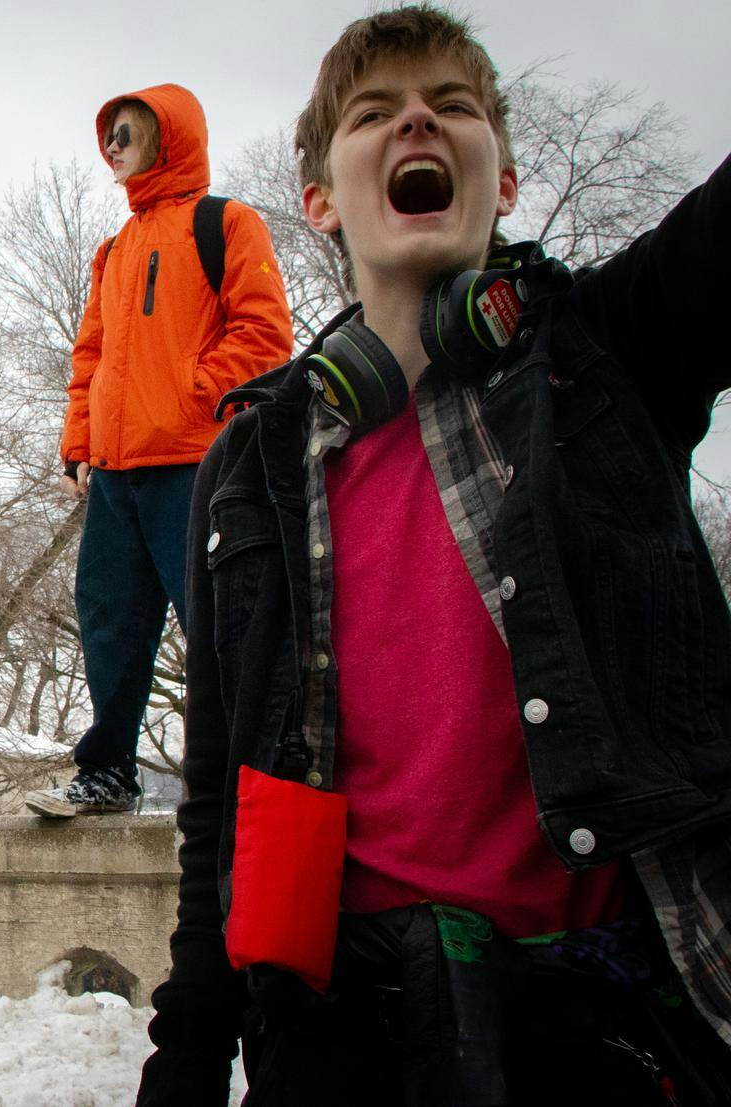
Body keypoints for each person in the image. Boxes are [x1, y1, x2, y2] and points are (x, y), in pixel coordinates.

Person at [138, 9, 731, 1105]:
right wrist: (185, 1053)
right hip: (343, 1022)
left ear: (500, 181)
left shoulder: (608, 352)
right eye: (373, 113)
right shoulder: (247, 463)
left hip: (601, 1015)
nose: (416, 116)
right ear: (319, 199)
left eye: (451, 106)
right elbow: (217, 796)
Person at [26, 83, 293, 817]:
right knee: (108, 619)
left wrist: (188, 397)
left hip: (197, 468)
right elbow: (91, 357)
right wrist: (78, 447)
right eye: (106, 135)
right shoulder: (111, 250)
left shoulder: (225, 223)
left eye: (127, 132)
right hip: (114, 476)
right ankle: (108, 772)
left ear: (166, 137)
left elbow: (266, 339)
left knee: (217, 625)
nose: (111, 147)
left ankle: (245, 778)